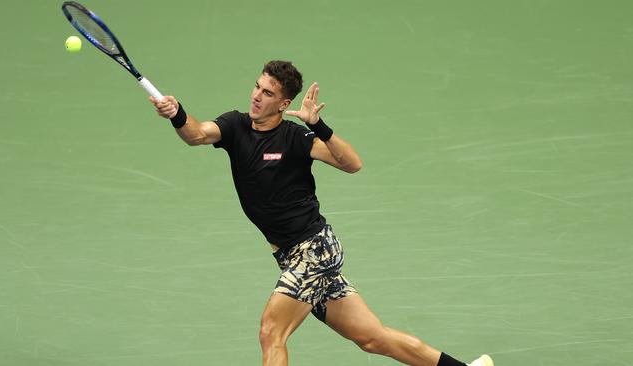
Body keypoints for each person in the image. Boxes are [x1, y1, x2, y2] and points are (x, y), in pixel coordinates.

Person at [150, 60, 494, 366]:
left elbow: (352, 163)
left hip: (313, 250)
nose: (257, 95)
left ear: (284, 104)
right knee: (373, 338)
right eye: (257, 86)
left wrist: (321, 126)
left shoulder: (297, 138)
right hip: (291, 254)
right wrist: (177, 113)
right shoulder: (235, 125)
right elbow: (196, 134)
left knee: (271, 333)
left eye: (268, 92)